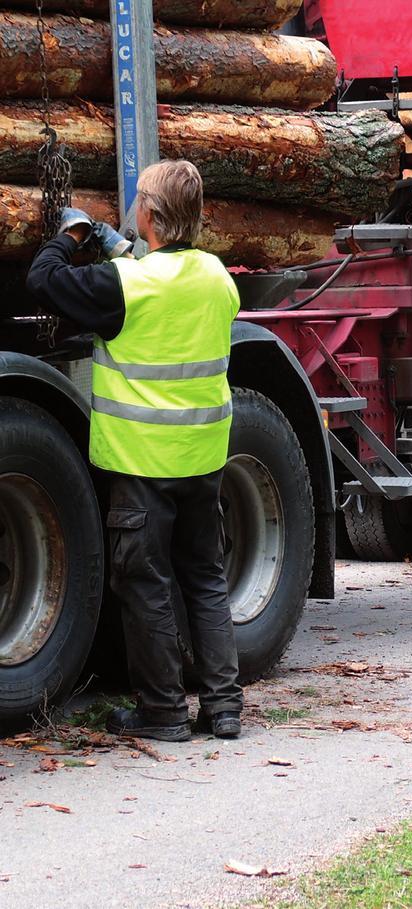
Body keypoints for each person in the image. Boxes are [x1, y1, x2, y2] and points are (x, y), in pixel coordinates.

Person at [27, 160, 244, 741]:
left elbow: (43, 281)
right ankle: (224, 708)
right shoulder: (217, 276)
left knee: (145, 584)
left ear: (148, 213)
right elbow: (163, 280)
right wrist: (122, 248)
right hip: (202, 457)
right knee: (204, 577)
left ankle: (164, 713)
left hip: (144, 462)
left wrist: (71, 234)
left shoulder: (127, 286)